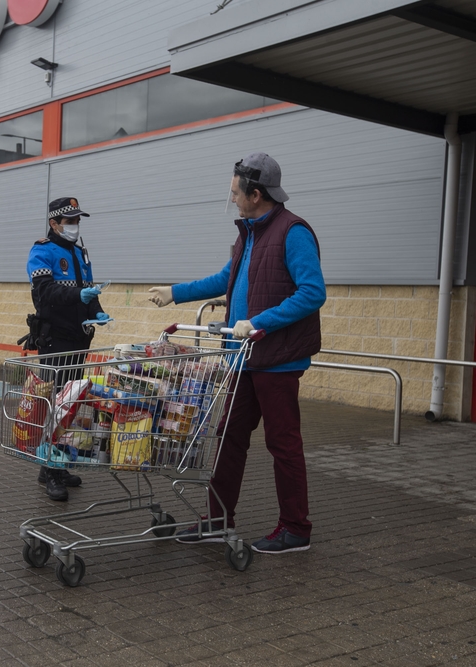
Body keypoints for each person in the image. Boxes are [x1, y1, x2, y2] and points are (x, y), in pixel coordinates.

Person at [148, 152, 326, 554]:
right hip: (243, 357)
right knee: (228, 438)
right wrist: (175, 293)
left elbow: (313, 292)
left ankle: (296, 528)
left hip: (277, 359)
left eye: (235, 193)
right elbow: (225, 277)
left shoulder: (292, 232)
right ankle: (216, 520)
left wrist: (260, 321)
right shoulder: (250, 232)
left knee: (283, 443)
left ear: (256, 193)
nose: (232, 199)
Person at [26, 197, 110, 501]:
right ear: (54, 224)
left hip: (78, 339)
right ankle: (49, 470)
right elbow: (45, 292)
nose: (75, 226)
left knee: (70, 405)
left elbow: (88, 289)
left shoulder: (79, 252)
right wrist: (79, 295)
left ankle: (56, 464)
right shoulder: (42, 251)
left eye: (78, 220)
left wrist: (97, 309)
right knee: (54, 406)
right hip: (55, 339)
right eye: (70, 221)